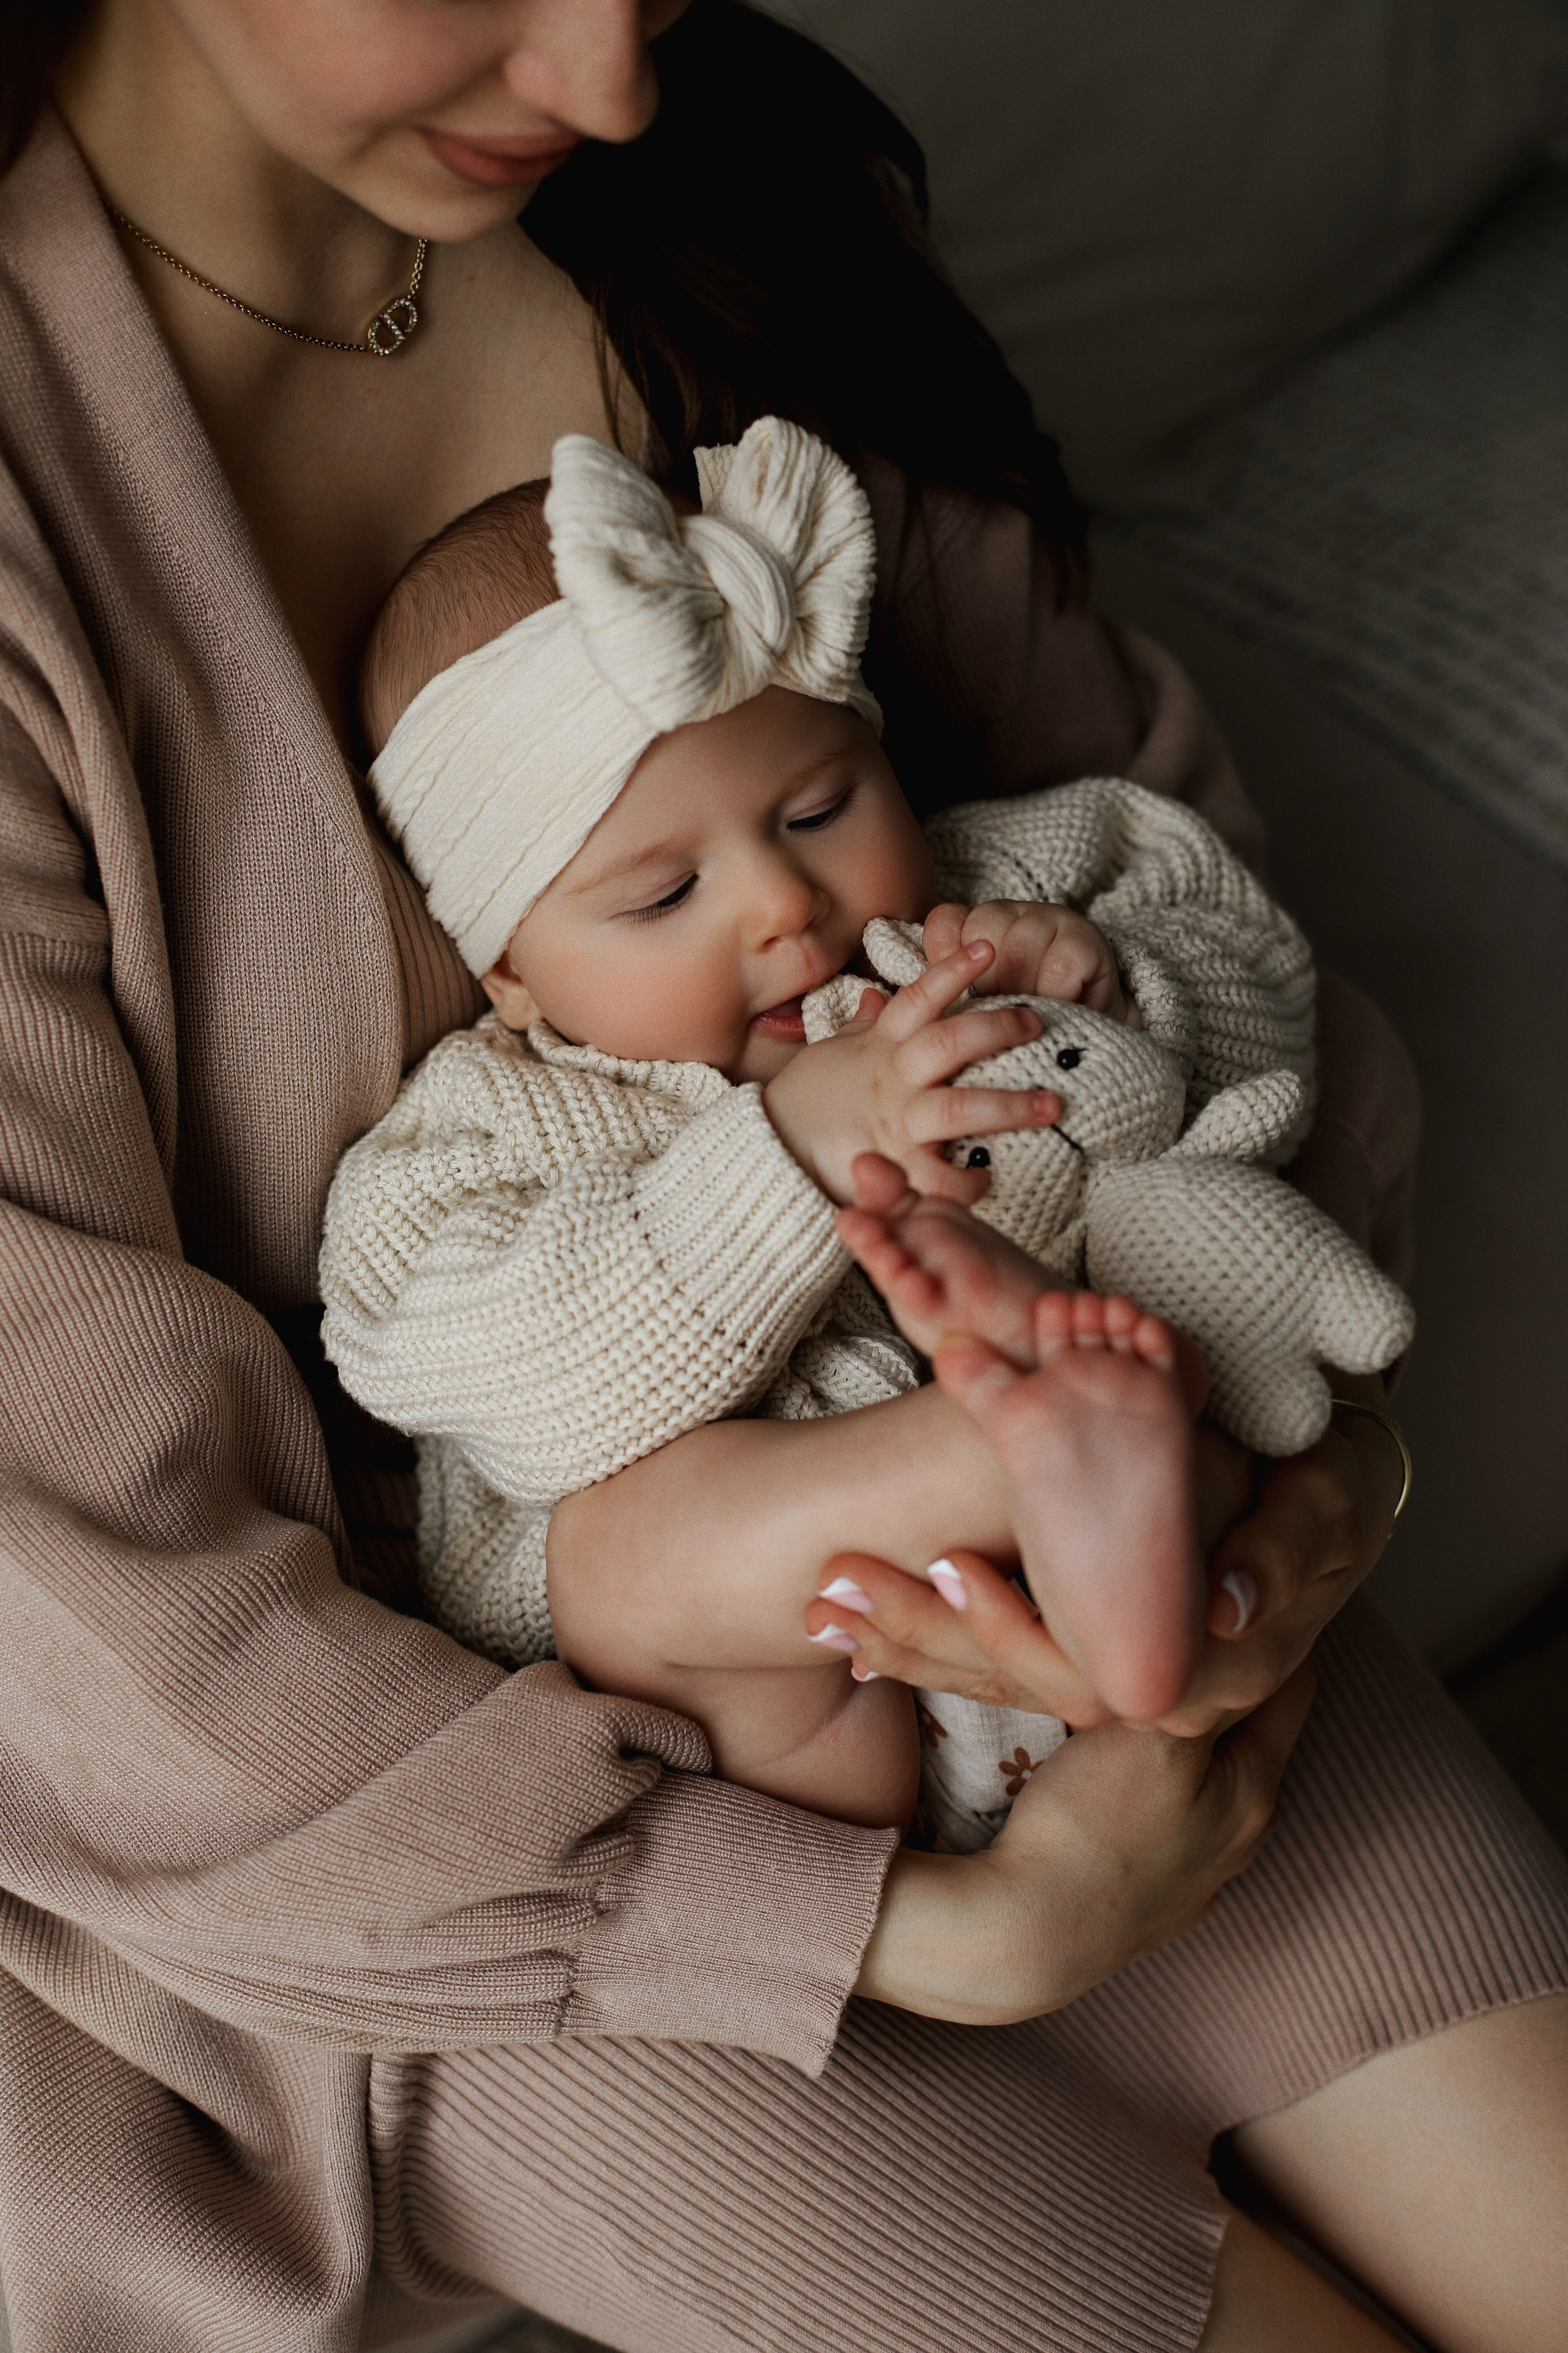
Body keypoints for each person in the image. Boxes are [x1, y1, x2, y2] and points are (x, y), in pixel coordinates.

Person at [0, 3, 1562, 2349]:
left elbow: (1150, 861)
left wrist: (1298, 1496)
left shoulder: (721, 217)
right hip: (407, 1861)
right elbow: (83, 1592)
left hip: (1045, 1568)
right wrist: (914, 1928)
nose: (617, 79)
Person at [318, 420, 1363, 1843]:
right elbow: (466, 1354)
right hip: (795, 1700)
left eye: (818, 806)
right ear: (506, 966)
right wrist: (782, 1157)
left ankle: (1081, 1477)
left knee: (1169, 1345)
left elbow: (1248, 951)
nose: (782, 906)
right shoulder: (490, 1122)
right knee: (620, 1559)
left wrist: (1113, 979)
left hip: (1142, 1563)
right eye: (658, 896)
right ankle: (1023, 1450)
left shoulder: (992, 891)